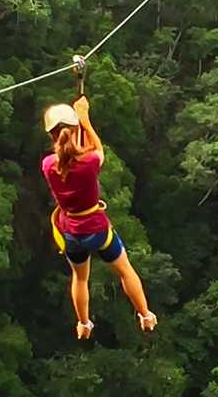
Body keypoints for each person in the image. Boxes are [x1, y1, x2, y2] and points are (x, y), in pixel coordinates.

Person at [41, 88, 156, 340]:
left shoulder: (48, 165)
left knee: (80, 278)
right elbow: (97, 149)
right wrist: (85, 118)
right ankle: (145, 316)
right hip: (96, 229)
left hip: (71, 233)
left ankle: (83, 324)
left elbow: (73, 154)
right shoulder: (89, 162)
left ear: (51, 134)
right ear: (73, 129)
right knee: (125, 270)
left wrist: (77, 124)